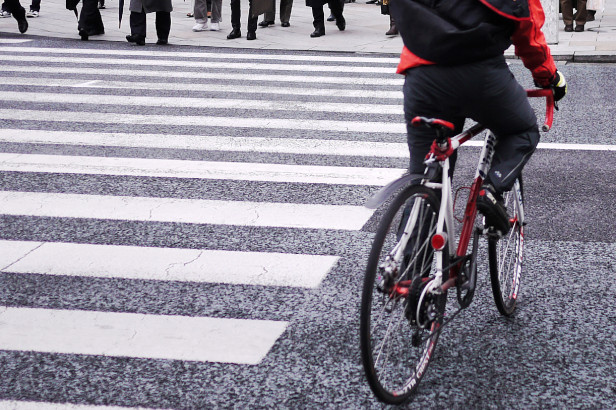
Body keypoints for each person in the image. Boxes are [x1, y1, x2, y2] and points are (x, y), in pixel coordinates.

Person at [391, 0, 567, 233]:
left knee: (426, 181)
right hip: (480, 76)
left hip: (421, 77)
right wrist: (548, 77)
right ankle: (491, 190)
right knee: (523, 130)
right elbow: (528, 29)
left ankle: (407, 266)